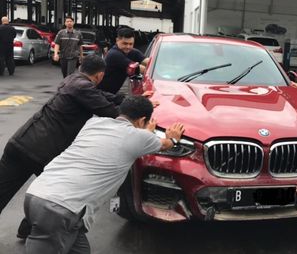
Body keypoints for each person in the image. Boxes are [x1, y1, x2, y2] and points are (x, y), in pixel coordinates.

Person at [24, 96, 185, 254]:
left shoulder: (93, 123)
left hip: (37, 193)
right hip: (60, 209)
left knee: (80, 250)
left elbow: (131, 135)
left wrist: (144, 132)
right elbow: (165, 144)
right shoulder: (139, 137)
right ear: (142, 121)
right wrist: (174, 139)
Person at [0, 55, 125, 238]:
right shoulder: (83, 87)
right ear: (100, 75)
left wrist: (120, 98)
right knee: (52, 195)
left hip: (21, 143)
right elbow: (110, 112)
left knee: (12, 191)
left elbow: (100, 96)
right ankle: (30, 230)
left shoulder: (73, 79)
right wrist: (135, 110)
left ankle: (27, 229)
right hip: (40, 151)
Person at [97, 27, 149, 94]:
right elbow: (142, 69)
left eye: (131, 44)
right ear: (117, 40)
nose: (128, 47)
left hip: (111, 94)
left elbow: (150, 62)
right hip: (100, 93)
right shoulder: (114, 54)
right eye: (125, 43)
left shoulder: (132, 52)